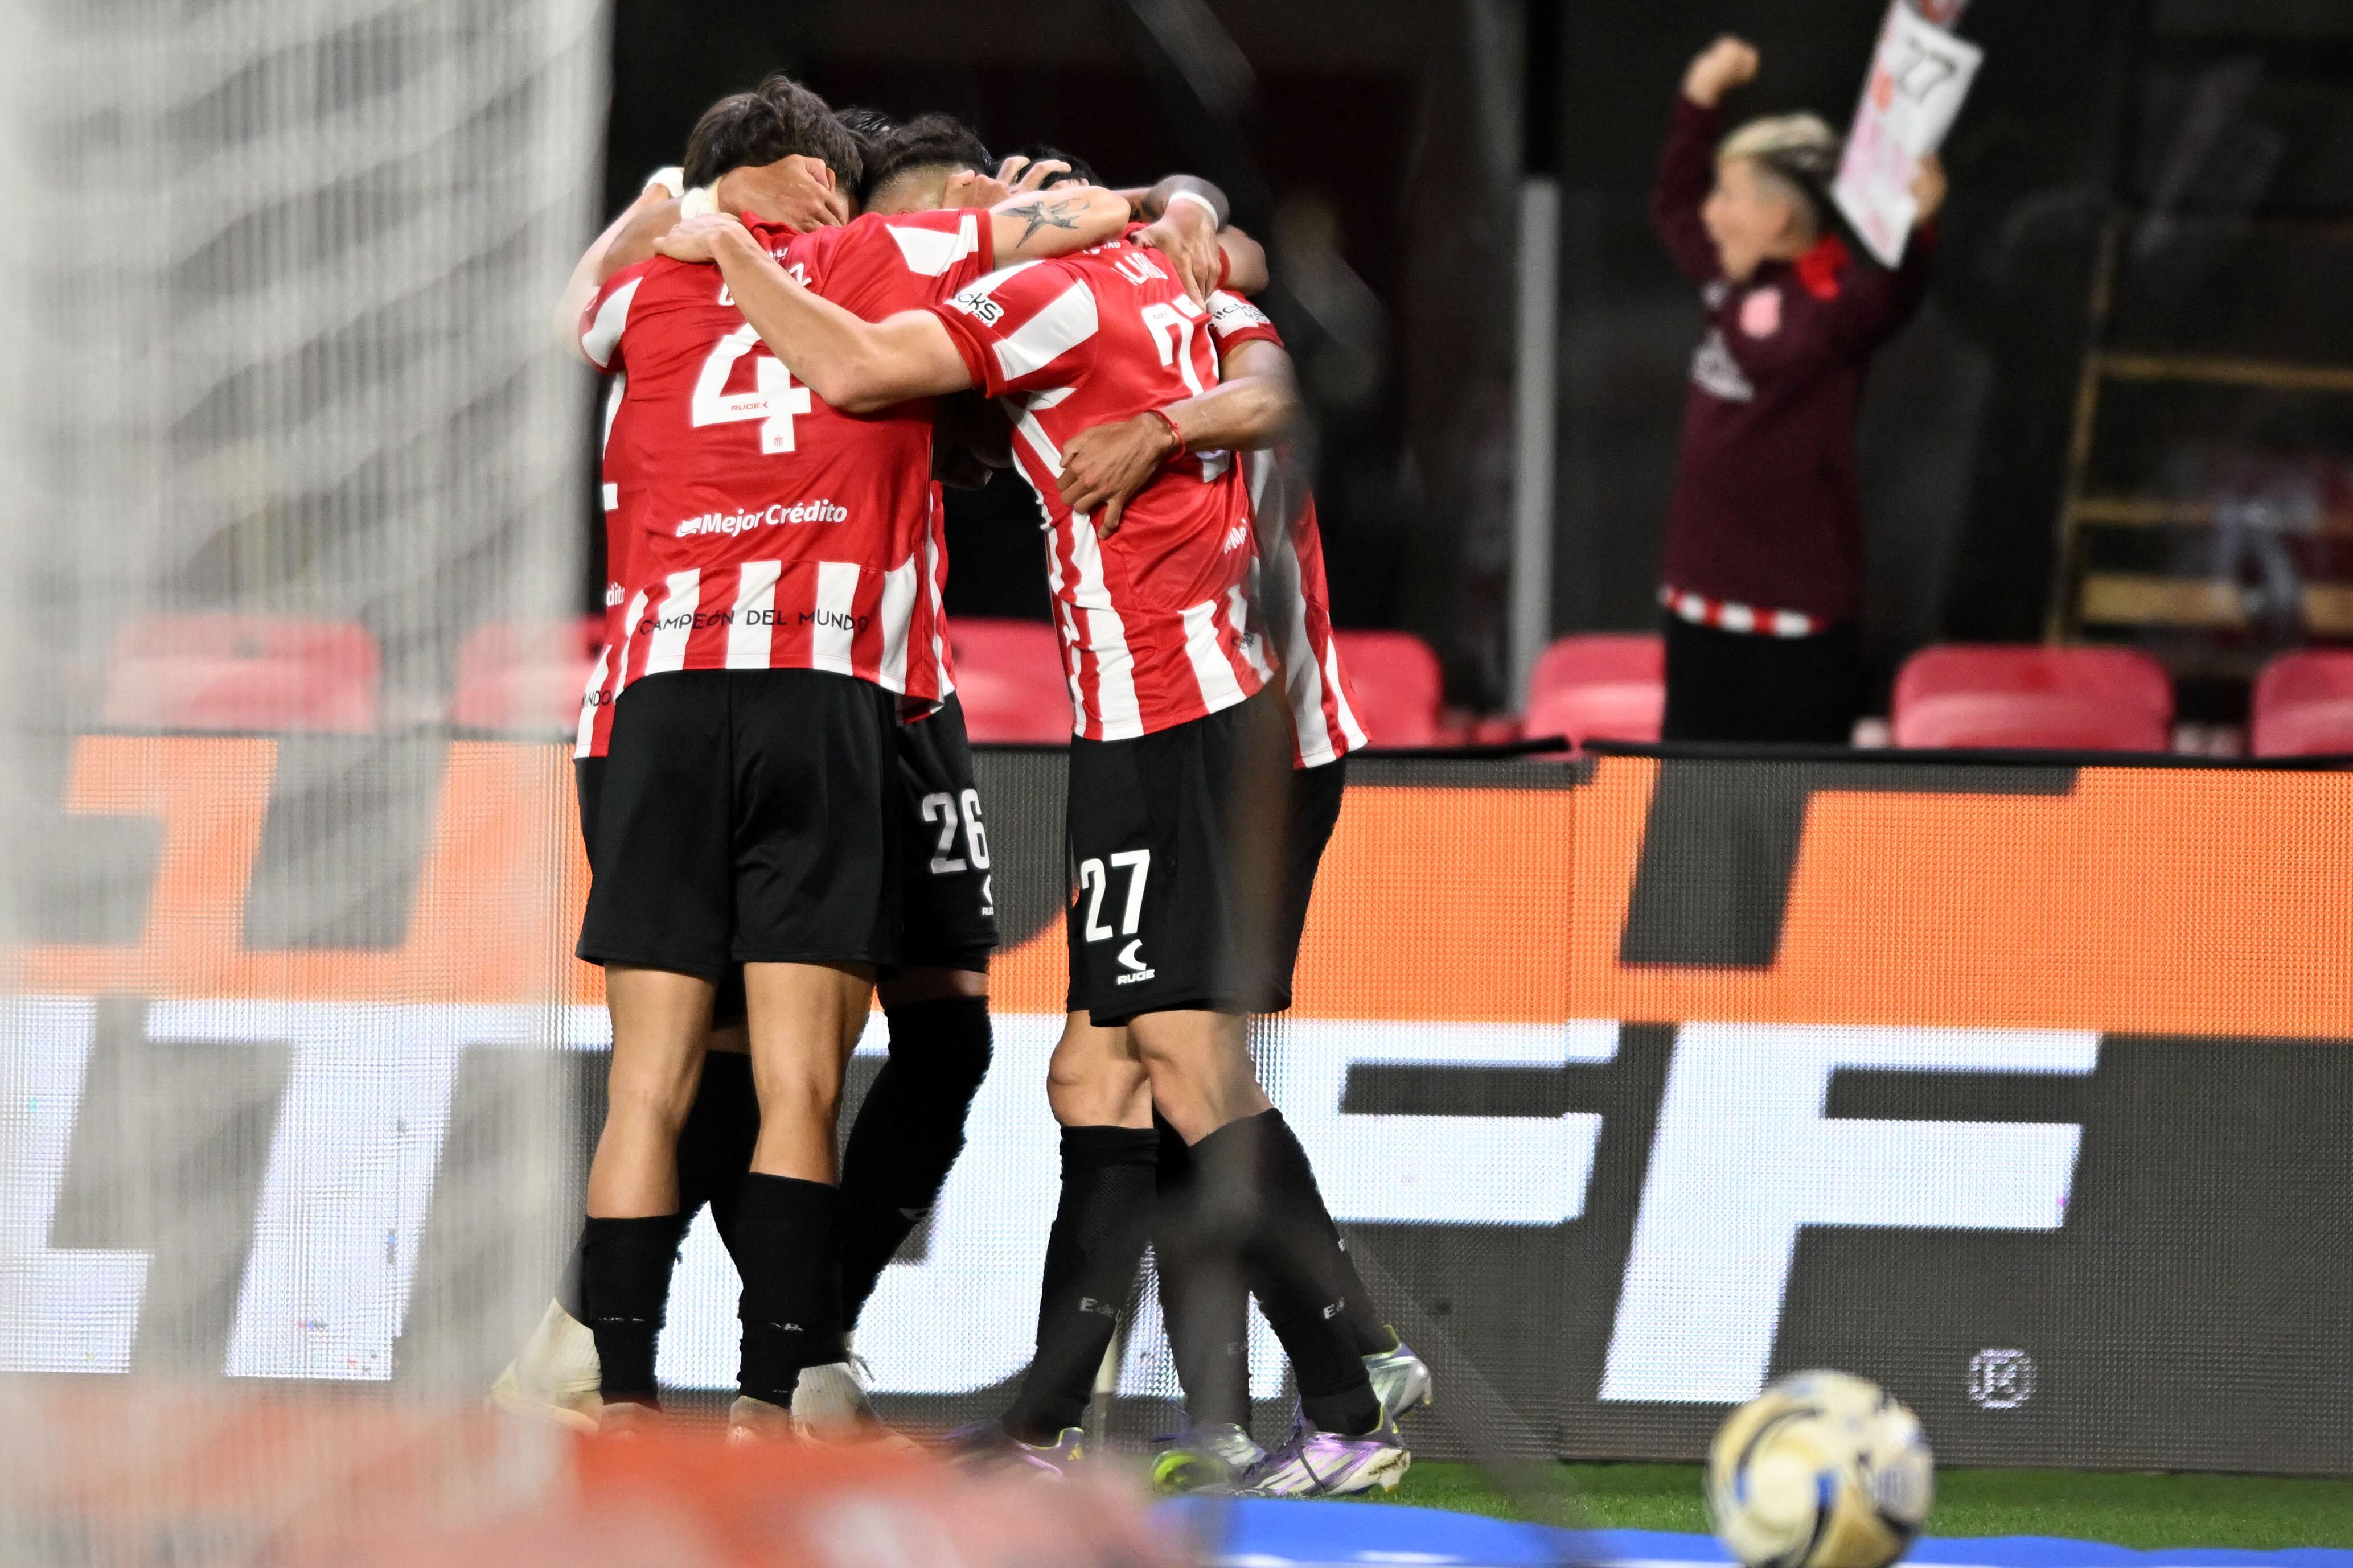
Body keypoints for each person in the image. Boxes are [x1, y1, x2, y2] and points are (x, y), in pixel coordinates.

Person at [653, 199, 1410, 1495]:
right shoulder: (1146, 267)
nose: (972, 227)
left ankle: (1353, 1391)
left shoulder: (1049, 293)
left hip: (1163, 715)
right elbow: (1206, 297)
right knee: (1095, 1075)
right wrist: (1176, 215)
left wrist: (724, 246)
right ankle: (1043, 1426)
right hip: (1182, 708)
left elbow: (854, 365)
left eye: (995, 201)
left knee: (1181, 1059)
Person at [564, 79, 1131, 1439]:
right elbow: (1083, 225)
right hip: (824, 688)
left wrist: (669, 210)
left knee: (649, 1076)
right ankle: (777, 1390)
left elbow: (574, 298)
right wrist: (1059, 204)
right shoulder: (879, 259)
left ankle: (616, 1396)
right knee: (802, 1076)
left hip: (652, 695)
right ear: (823, 181)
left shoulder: (640, 297)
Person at [1652, 35, 1946, 744]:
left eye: (1728, 196)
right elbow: (1672, 207)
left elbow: (1897, 293)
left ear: (1777, 219)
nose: (1711, 213)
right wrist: (1699, 97)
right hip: (1698, 601)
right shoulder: (1727, 277)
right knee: (1692, 812)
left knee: (1789, 820)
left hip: (1797, 621)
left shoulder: (1836, 304)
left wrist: (1920, 221)